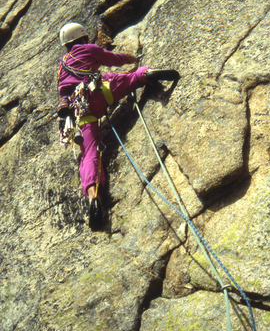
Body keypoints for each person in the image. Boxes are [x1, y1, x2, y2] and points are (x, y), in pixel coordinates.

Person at [57, 22, 179, 228]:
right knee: (127, 78)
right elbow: (113, 59)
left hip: (79, 111)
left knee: (89, 153)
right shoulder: (88, 49)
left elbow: (63, 92)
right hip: (99, 92)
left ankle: (93, 196)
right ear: (82, 37)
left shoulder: (62, 66)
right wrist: (130, 58)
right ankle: (145, 75)